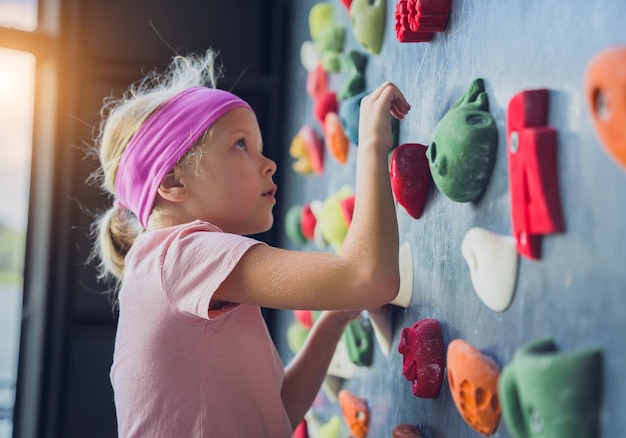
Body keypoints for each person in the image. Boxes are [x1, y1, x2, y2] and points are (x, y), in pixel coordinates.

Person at [89, 50, 410, 437]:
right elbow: (369, 277)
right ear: (173, 183)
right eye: (241, 145)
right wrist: (374, 143)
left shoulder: (162, 270)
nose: (269, 163)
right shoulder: (177, 256)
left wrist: (337, 316)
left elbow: (280, 411)